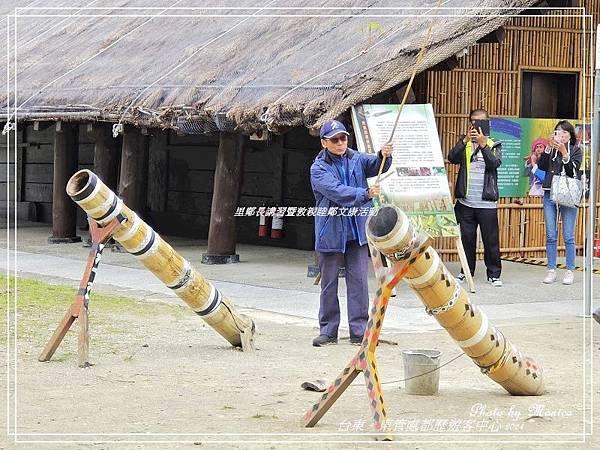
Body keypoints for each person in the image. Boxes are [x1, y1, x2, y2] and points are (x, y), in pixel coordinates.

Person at [310, 119, 392, 347]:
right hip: (331, 231)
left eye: (343, 137)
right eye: (334, 139)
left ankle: (358, 332)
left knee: (359, 282)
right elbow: (337, 192)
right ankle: (328, 331)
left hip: (357, 231)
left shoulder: (357, 158)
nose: (340, 143)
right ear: (324, 143)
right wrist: (365, 194)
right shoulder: (318, 169)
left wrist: (383, 154)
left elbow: (378, 165)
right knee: (329, 284)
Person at [448, 109, 503, 287]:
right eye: (473, 121)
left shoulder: (495, 144)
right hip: (466, 202)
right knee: (467, 240)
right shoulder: (466, 144)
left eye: (481, 121)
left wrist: (483, 145)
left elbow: (494, 164)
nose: (477, 125)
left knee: (491, 240)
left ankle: (494, 274)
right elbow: (452, 158)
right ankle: (466, 271)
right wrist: (465, 140)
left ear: (488, 123)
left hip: (487, 203)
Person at [536, 120, 582, 285]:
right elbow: (541, 167)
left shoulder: (576, 150)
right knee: (551, 234)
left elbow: (571, 171)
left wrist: (564, 152)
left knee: (568, 235)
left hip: (568, 195)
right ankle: (551, 269)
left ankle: (569, 270)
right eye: (557, 132)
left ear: (570, 135)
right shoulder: (551, 150)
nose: (560, 135)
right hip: (549, 193)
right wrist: (548, 149)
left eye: (564, 132)